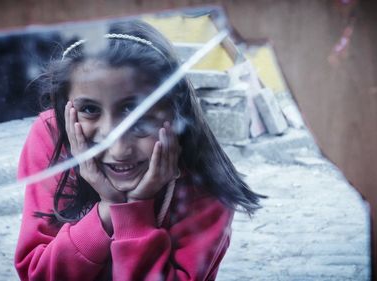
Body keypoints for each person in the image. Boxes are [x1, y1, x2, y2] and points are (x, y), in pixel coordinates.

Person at [14, 20, 263, 281]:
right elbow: (37, 275)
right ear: (67, 106)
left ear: (175, 110)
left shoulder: (207, 184)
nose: (118, 149)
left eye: (136, 111)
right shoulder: (52, 137)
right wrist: (106, 209)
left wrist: (133, 213)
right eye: (89, 109)